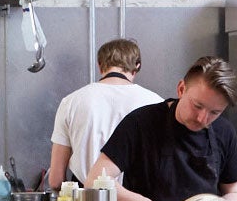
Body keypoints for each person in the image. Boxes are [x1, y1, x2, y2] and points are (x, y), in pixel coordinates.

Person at [89, 57, 237, 201]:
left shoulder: (224, 131)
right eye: (197, 106)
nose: (202, 118)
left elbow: (235, 193)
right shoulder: (140, 123)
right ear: (181, 89)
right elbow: (95, 182)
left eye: (214, 112)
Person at [47, 39, 162, 189]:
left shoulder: (71, 102)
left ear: (100, 65)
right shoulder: (156, 103)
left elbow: (55, 180)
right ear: (137, 66)